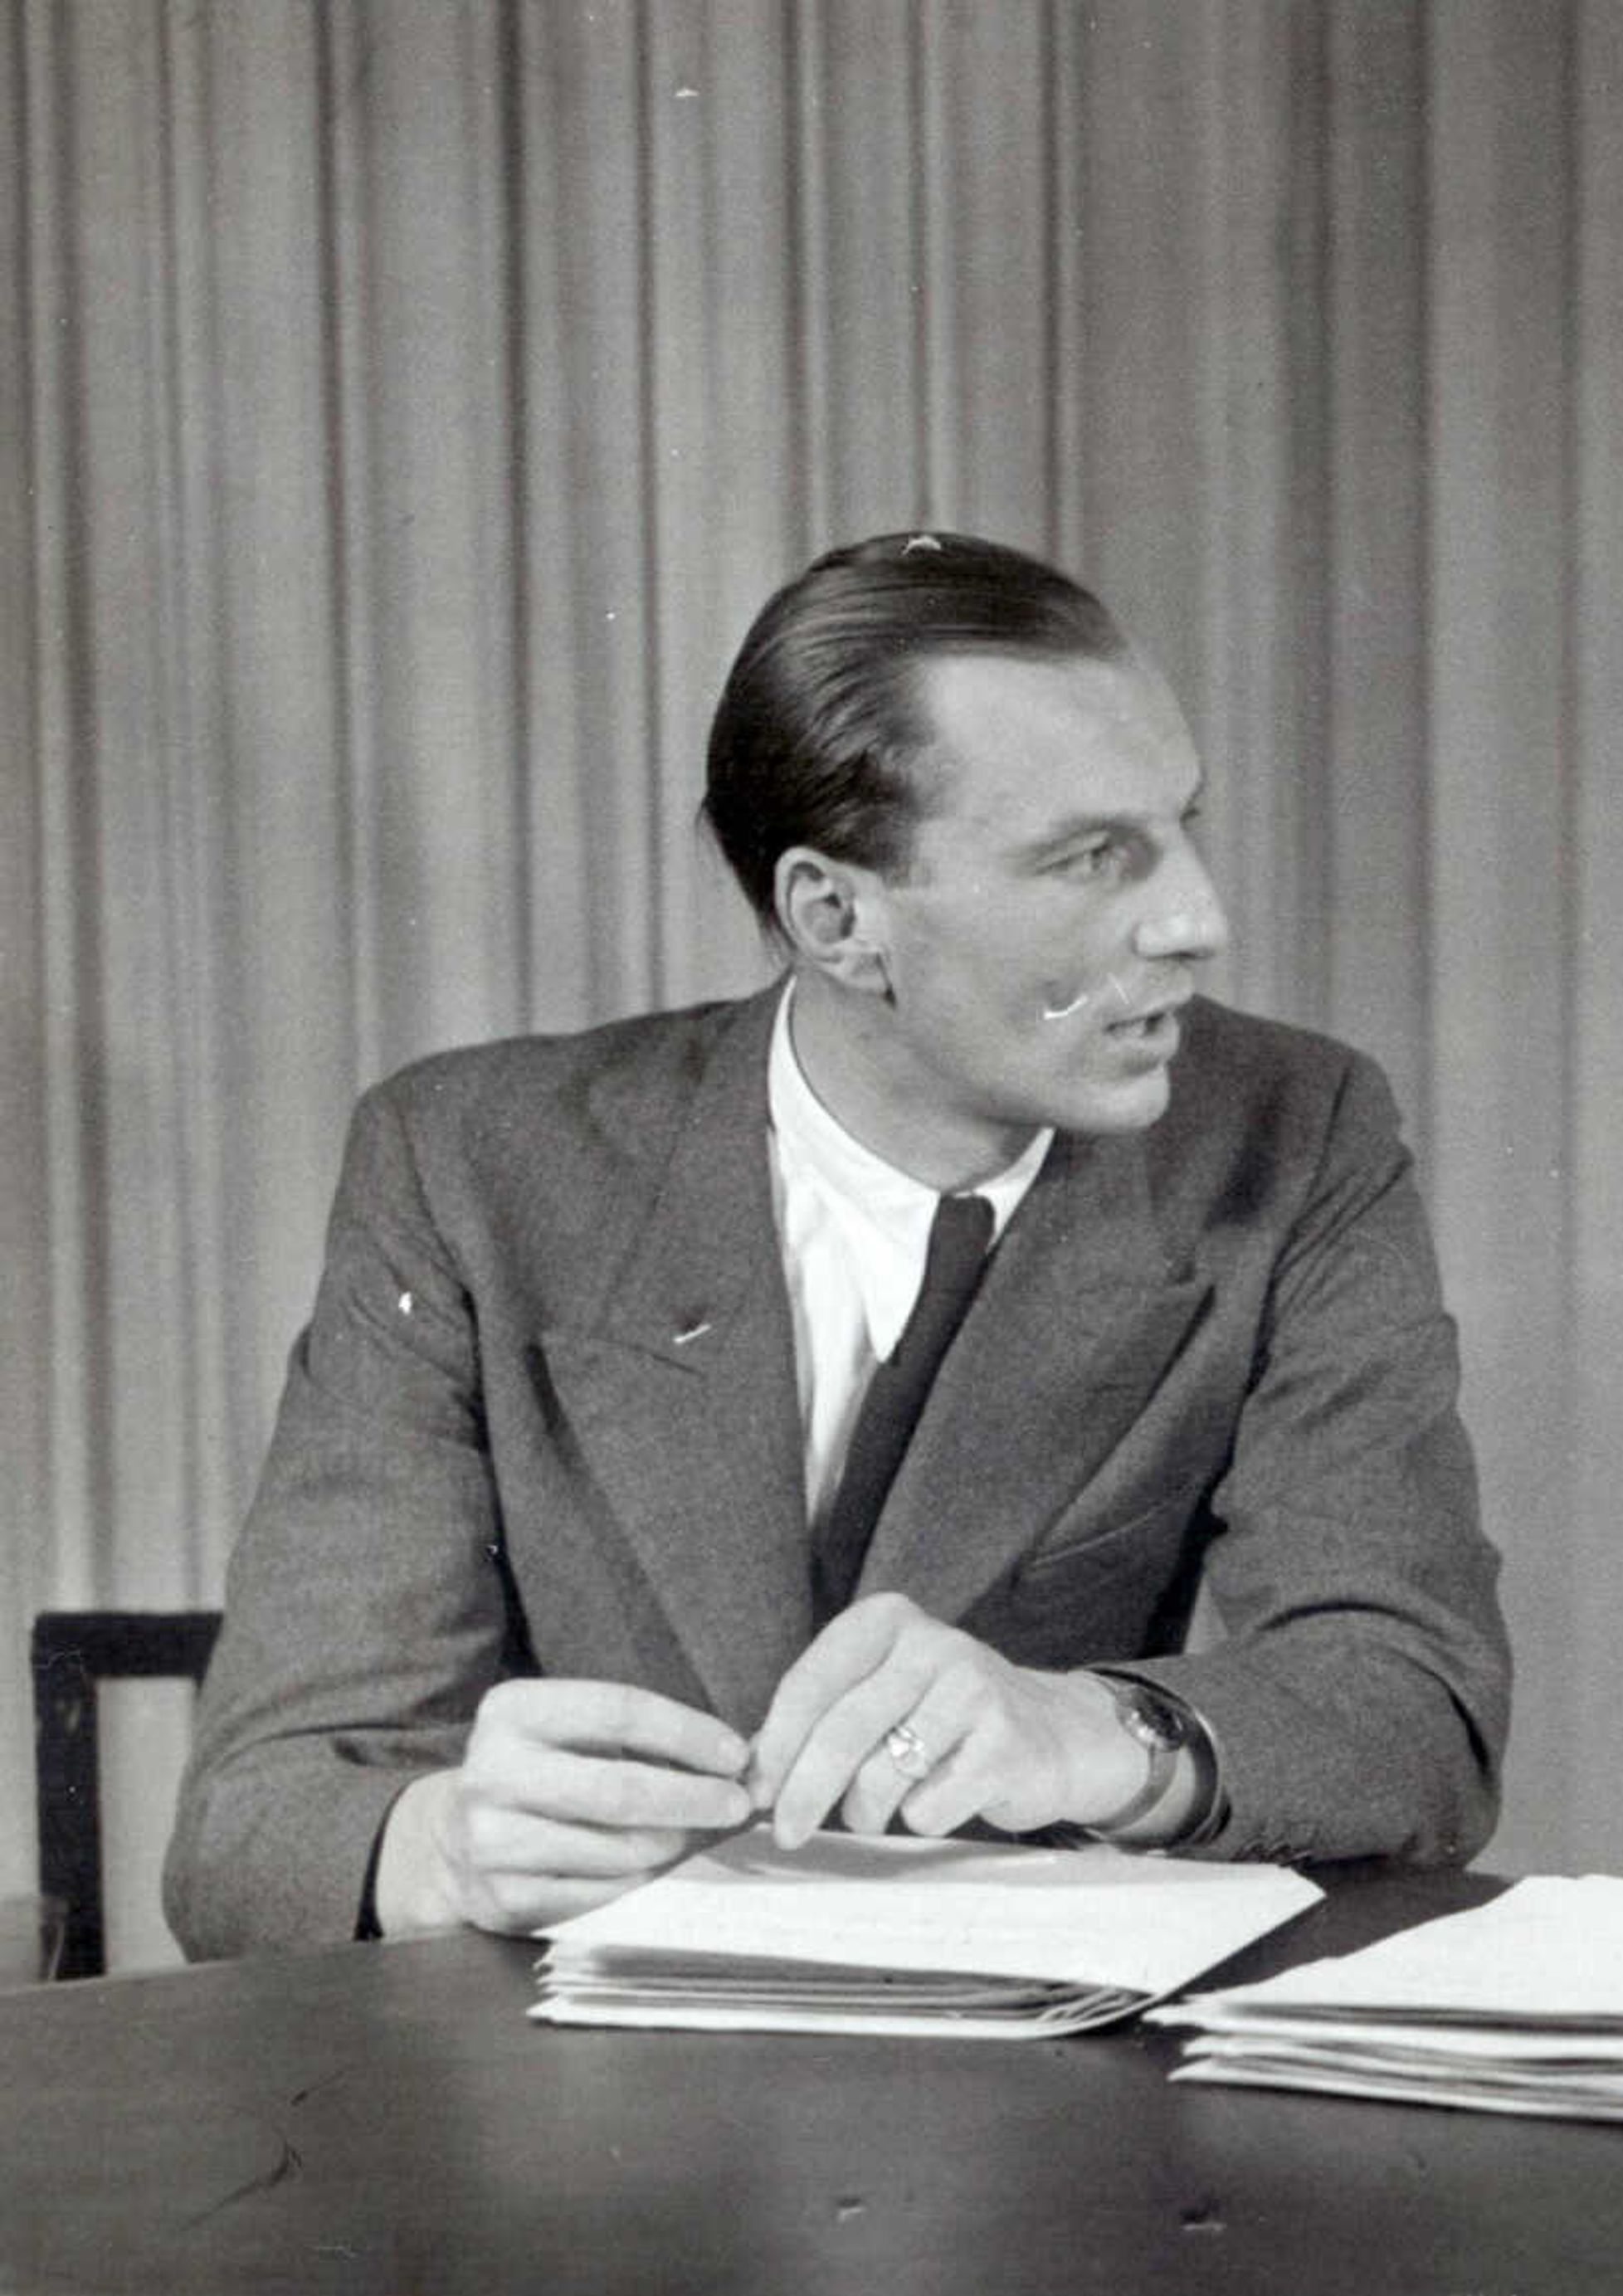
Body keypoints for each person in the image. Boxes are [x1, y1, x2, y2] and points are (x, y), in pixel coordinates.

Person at [167, 531, 1508, 1956]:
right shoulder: (472, 1163)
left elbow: (1417, 1706)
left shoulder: (1293, 1136)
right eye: (1090, 860)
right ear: (836, 918)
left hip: (1056, 2113)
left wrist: (1098, 1728)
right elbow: (254, 1828)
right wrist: (439, 1846)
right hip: (588, 2121)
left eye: (1182, 827)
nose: (1197, 920)